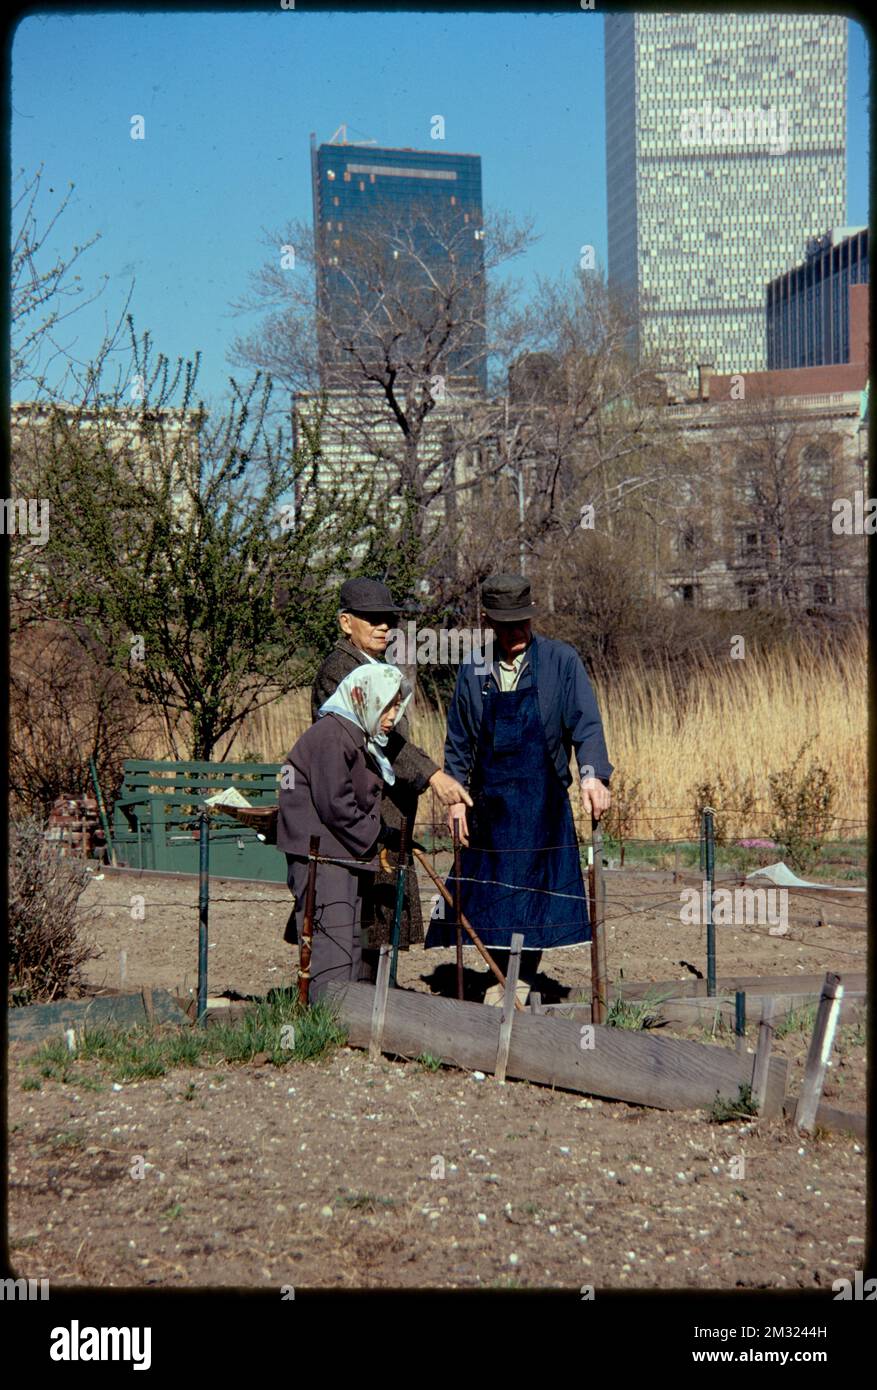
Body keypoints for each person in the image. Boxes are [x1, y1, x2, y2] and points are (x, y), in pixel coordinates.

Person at [424, 574, 612, 1005]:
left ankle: (519, 977)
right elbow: (458, 742)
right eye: (507, 626)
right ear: (487, 621)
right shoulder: (472, 666)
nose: (517, 634)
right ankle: (499, 974)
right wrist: (455, 801)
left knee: (536, 895)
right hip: (488, 805)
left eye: (523, 623)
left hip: (542, 804)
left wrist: (592, 775)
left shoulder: (562, 661)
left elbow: (586, 725)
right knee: (493, 893)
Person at [311, 577, 472, 982]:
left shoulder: (373, 666)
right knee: (359, 908)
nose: (384, 626)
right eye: (372, 618)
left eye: (388, 619)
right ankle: (354, 1002)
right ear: (346, 622)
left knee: (378, 912)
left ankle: (376, 998)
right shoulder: (340, 670)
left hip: (380, 813)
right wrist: (434, 775)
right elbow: (380, 741)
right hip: (359, 813)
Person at [276, 664, 411, 999]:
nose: (392, 716)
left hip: (340, 853)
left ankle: (345, 1019)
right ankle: (325, 1020)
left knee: (350, 941)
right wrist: (380, 832)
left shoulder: (354, 735)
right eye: (388, 706)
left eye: (396, 706)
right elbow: (336, 803)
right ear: (365, 698)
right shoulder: (334, 736)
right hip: (321, 856)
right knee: (332, 945)